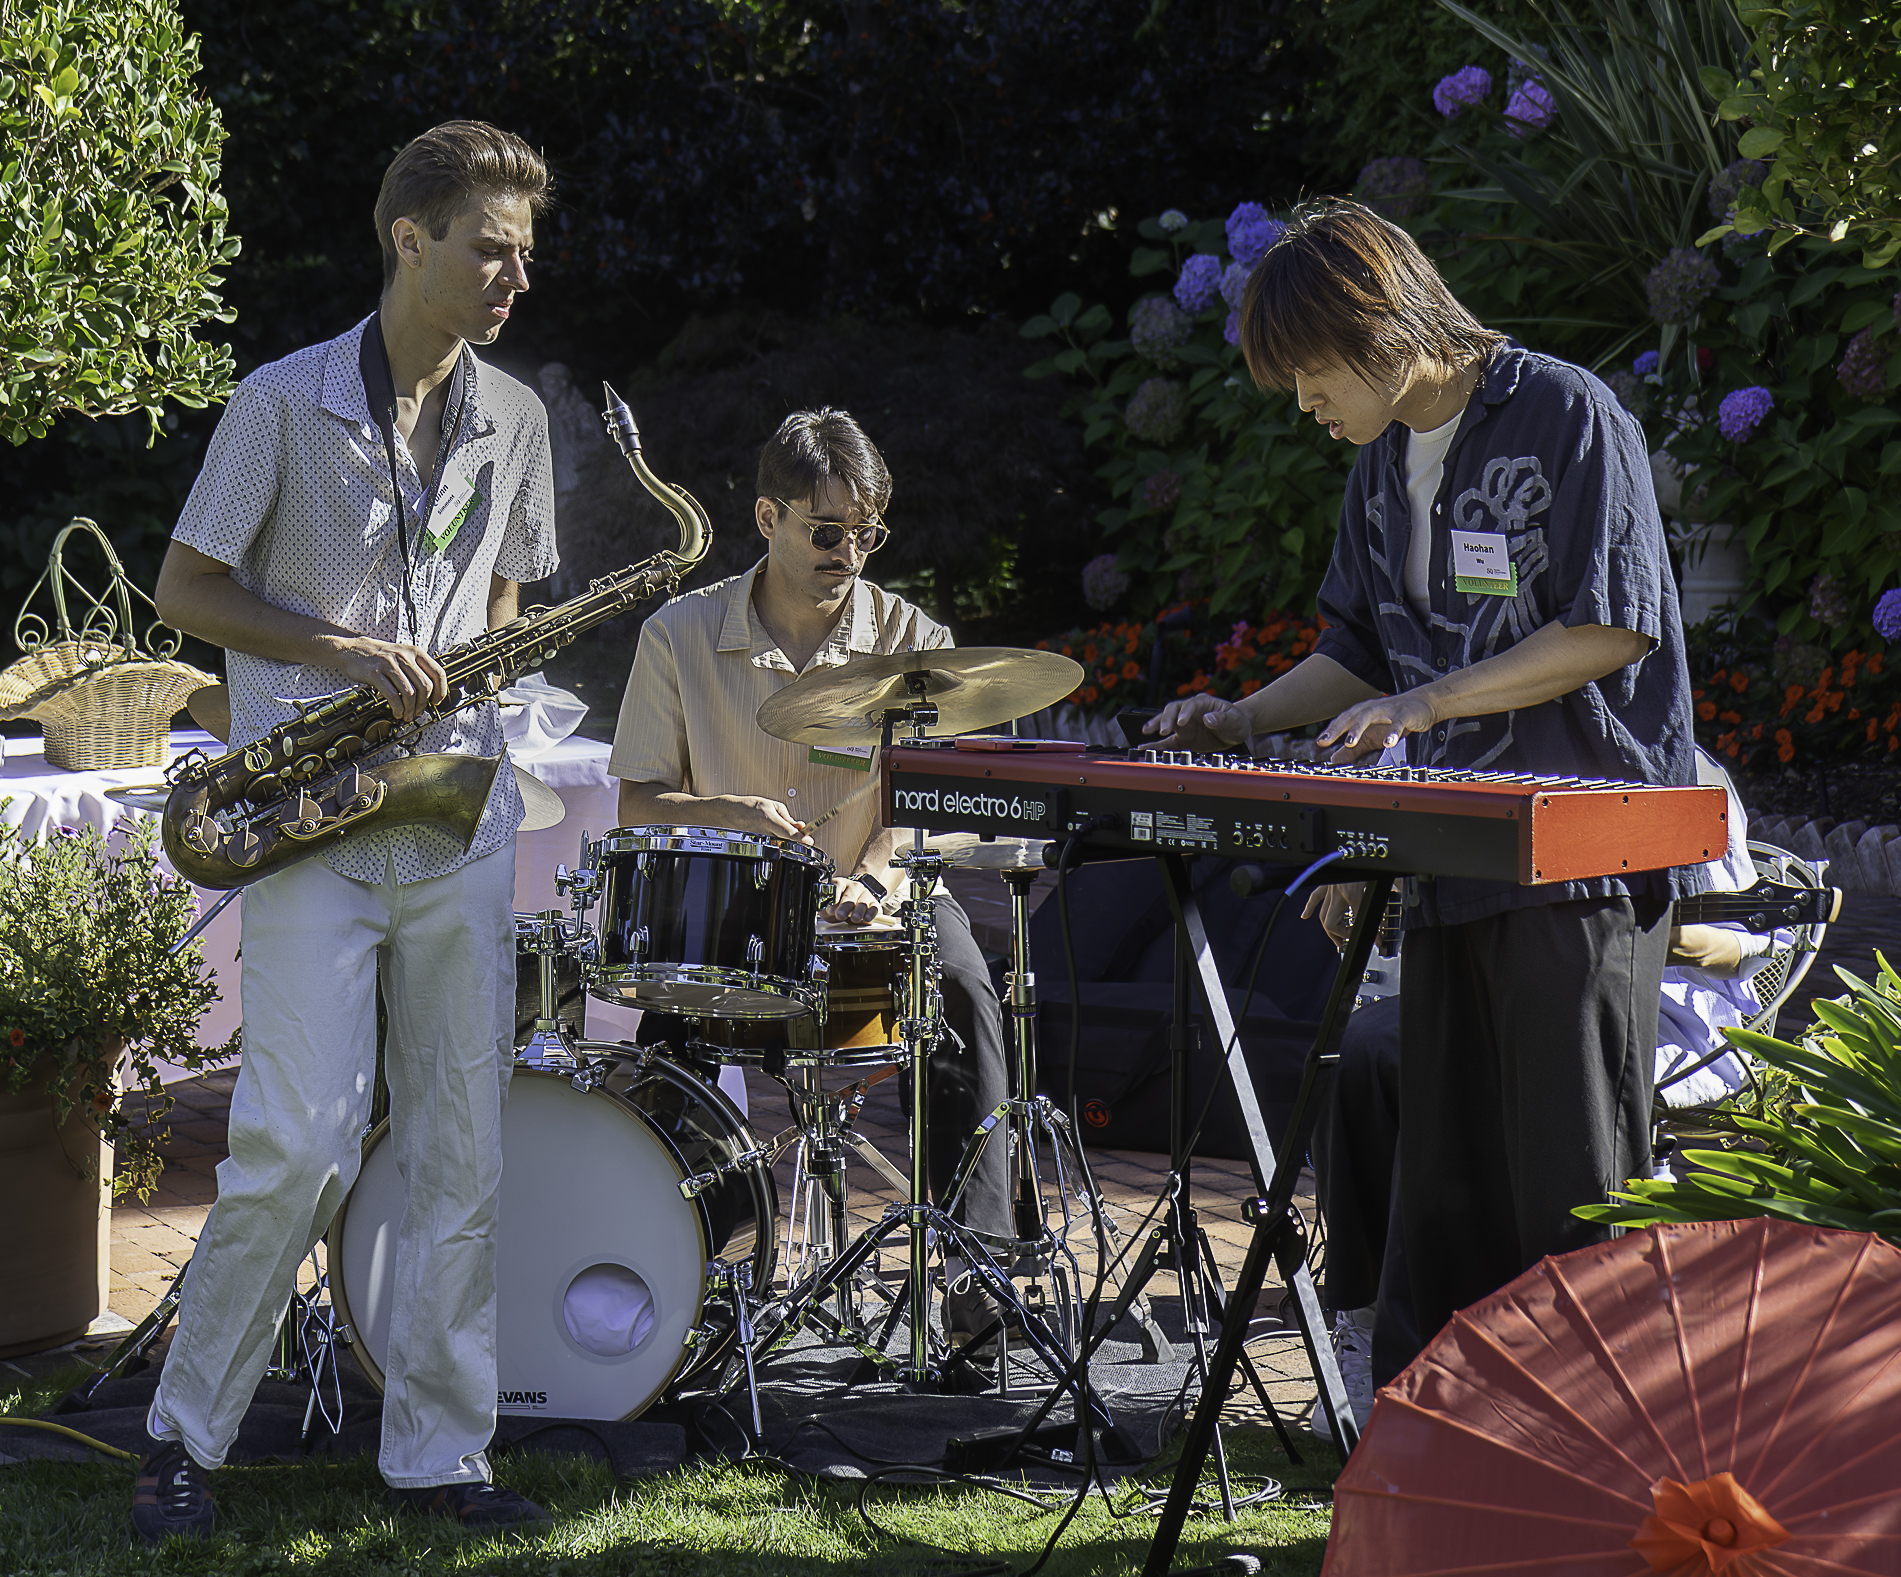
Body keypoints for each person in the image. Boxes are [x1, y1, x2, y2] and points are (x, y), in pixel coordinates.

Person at [1148, 199, 1706, 1388]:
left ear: (1377, 324)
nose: (1302, 401)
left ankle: (1604, 1447)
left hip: (1580, 864)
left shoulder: (1566, 413)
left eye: (1308, 371)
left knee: (1573, 1188)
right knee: (1443, 1189)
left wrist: (1425, 702)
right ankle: (1431, 1437)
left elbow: (1610, 627)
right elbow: (1357, 651)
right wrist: (1242, 717)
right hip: (1452, 863)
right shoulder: (1377, 469)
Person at [136, 122, 559, 1543]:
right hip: (308, 819)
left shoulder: (519, 418)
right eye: (489, 249)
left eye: (523, 252)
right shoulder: (278, 400)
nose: (514, 275)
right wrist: (344, 652)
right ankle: (181, 1438)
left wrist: (467, 673)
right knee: (298, 1146)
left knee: (460, 1154)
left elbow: (504, 598)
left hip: (455, 818)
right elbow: (184, 588)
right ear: (409, 240)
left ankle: (441, 1457)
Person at [609, 408, 1015, 1354]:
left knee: (963, 990)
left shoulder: (912, 636)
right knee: (666, 1045)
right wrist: (733, 815)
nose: (849, 553)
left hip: (879, 893)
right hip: (735, 903)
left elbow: (923, 795)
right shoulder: (677, 633)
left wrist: (873, 875)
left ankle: (974, 1276)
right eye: (827, 530)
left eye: (867, 533)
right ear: (767, 517)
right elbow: (637, 803)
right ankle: (659, 1266)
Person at [1305, 747, 1790, 1441]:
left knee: (1536, 1055)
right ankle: (1365, 1327)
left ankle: (1566, 1353)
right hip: (1475, 987)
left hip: (1632, 1000)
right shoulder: (1449, 746)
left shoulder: (1679, 772)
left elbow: (1743, 945)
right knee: (1361, 1051)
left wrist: (1620, 927)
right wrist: (1360, 866)